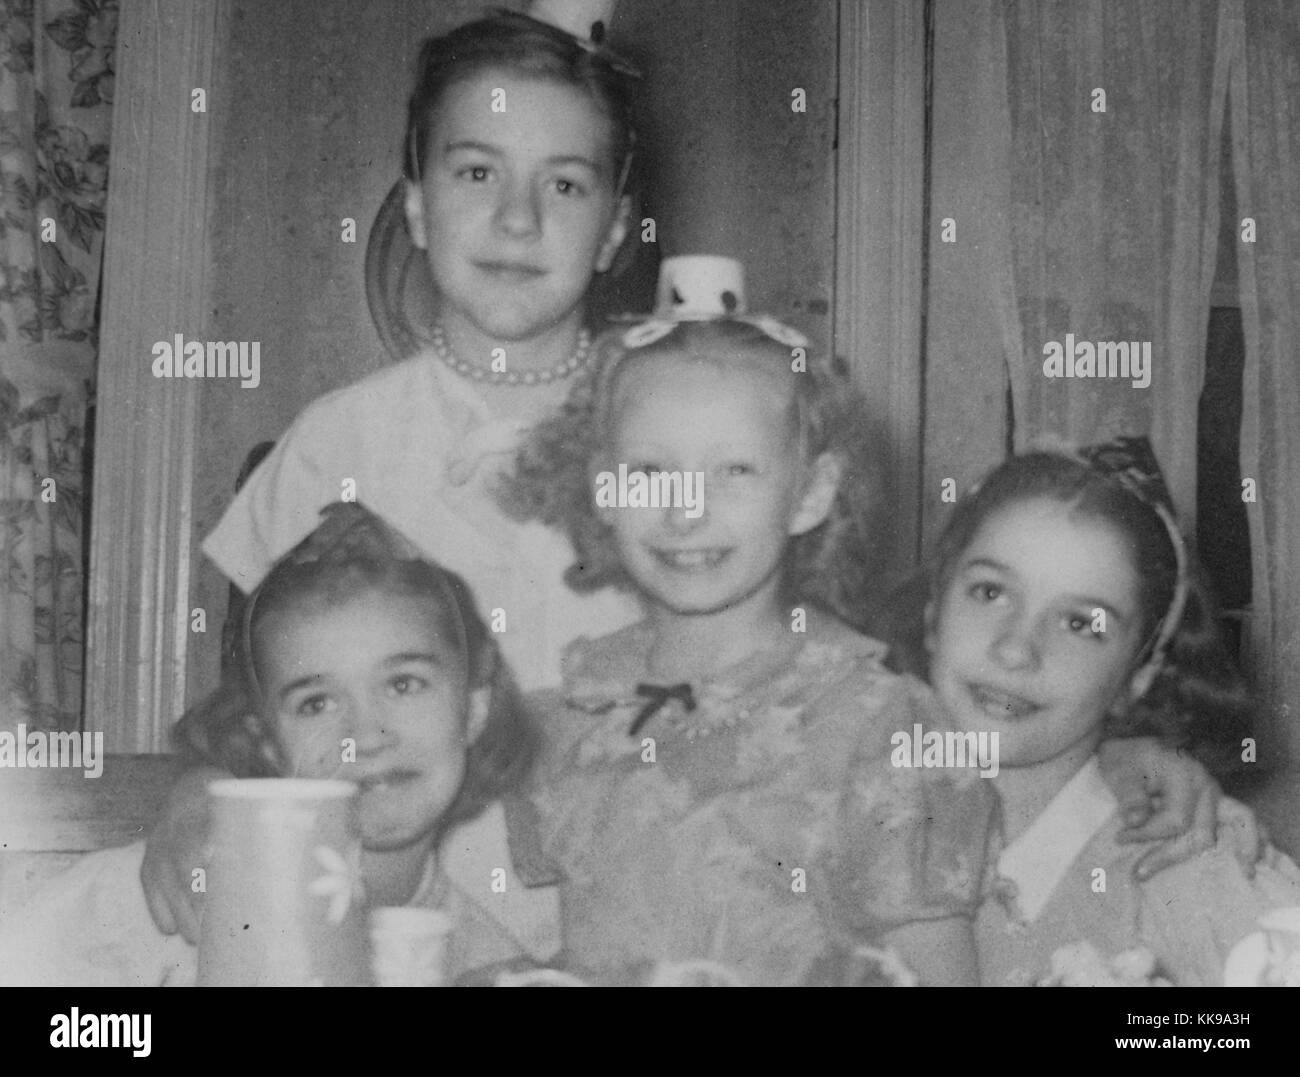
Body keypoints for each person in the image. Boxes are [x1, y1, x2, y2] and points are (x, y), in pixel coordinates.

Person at [144, 6, 645, 954]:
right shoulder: (336, 443)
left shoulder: (669, 447)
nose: (517, 217)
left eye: (566, 184)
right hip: (365, 924)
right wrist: (193, 794)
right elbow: (244, 709)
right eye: (476, 171)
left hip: (612, 922)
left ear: (616, 228)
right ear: (415, 203)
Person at [501, 259, 1001, 985]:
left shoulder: (879, 726)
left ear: (810, 493)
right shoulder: (569, 716)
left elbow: (941, 976)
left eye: (734, 471)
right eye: (649, 472)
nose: (687, 509)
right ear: (602, 489)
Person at [0, 503, 537, 986]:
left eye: (403, 684)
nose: (366, 736)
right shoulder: (170, 892)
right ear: (269, 742)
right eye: (317, 703)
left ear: (475, 709)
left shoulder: (479, 958)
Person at [907, 440, 1300, 986]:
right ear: (933, 610)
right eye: (990, 591)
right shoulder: (831, 819)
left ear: (1137, 675)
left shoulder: (1185, 885)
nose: (1016, 649)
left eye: (1080, 625)